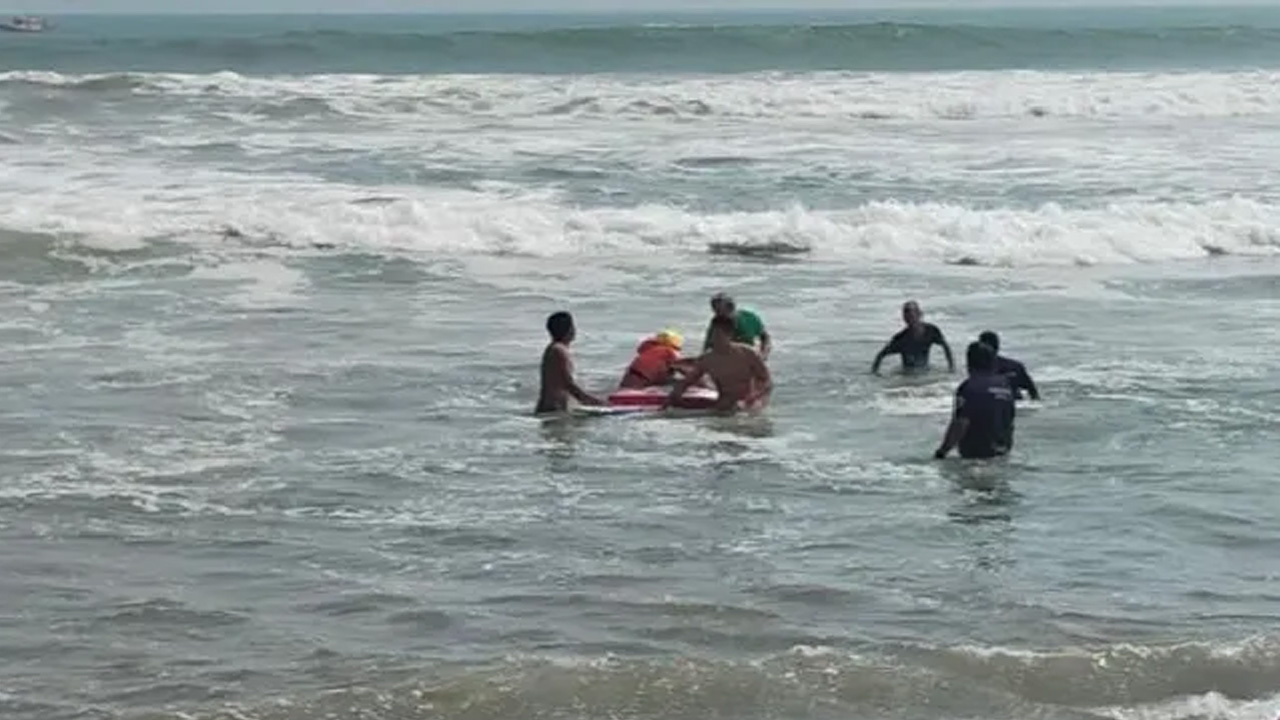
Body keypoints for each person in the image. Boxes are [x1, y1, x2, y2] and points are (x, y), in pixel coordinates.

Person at [668, 315, 771, 412]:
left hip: (750, 406)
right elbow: (687, 382)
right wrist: (675, 396)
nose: (714, 338)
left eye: (719, 335)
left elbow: (766, 381)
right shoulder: (707, 359)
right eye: (713, 334)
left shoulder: (747, 353)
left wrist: (753, 398)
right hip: (724, 405)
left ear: (730, 335)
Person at [934, 341, 1015, 460]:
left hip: (976, 454)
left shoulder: (968, 388)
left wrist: (943, 451)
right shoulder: (1005, 386)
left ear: (969, 362)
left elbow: (961, 423)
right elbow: (1010, 421)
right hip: (1002, 452)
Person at [535, 311, 604, 414]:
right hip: (552, 410)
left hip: (553, 409)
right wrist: (593, 401)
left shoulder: (555, 349)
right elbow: (568, 384)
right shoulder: (558, 350)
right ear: (569, 329)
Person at [871, 300, 955, 375]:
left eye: (911, 316)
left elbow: (945, 346)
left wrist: (951, 367)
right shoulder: (901, 339)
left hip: (924, 370)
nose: (909, 320)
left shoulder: (931, 331)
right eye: (906, 317)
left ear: (920, 314)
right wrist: (875, 373)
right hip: (907, 375)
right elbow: (880, 355)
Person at [702, 293, 771, 360]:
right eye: (715, 310)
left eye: (719, 310)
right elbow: (707, 349)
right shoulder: (717, 324)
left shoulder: (749, 318)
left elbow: (765, 337)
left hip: (748, 358)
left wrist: (763, 354)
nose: (718, 313)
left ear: (731, 307)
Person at [618, 330, 695, 389]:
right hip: (643, 382)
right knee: (682, 383)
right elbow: (682, 368)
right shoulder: (668, 352)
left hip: (627, 382)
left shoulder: (648, 350)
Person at [978, 330, 1040, 401]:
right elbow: (1033, 393)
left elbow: (1033, 392)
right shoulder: (1015, 366)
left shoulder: (975, 369)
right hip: (1013, 403)